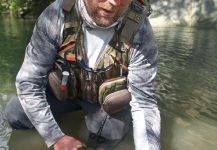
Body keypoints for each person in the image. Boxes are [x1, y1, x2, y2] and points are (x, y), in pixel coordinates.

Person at [4, 0, 160, 149]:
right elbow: (29, 83)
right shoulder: (55, 16)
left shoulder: (140, 31)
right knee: (15, 114)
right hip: (63, 92)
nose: (114, 2)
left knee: (108, 139)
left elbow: (143, 103)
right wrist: (55, 137)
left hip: (103, 104)